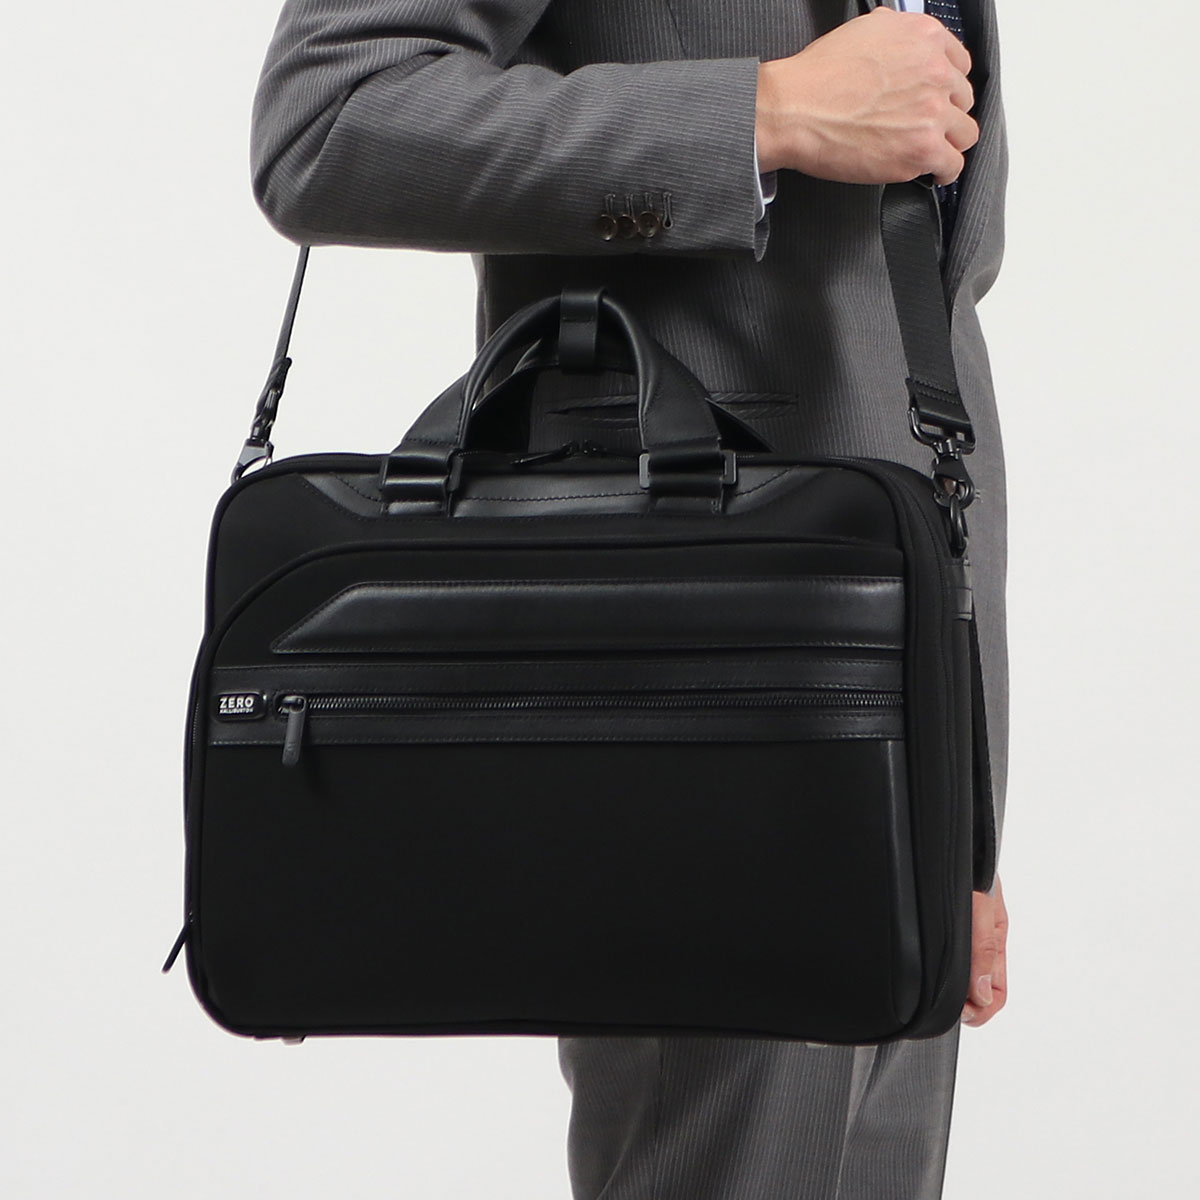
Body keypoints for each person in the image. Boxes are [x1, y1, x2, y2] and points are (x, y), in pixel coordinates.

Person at [248, 0, 1010, 1195]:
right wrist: (764, 114)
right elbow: (331, 117)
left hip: (896, 634)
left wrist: (954, 815)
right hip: (696, 642)